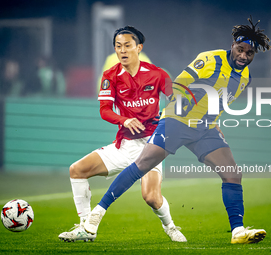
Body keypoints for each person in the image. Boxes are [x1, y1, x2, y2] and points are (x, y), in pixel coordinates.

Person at [85, 17, 271, 244]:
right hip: (178, 121)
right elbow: (180, 83)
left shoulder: (245, 77)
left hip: (205, 129)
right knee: (143, 165)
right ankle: (97, 213)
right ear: (232, 44)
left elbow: (219, 101)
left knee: (232, 174)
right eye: (240, 49)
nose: (243, 56)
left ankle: (238, 231)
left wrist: (214, 122)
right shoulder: (210, 59)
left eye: (249, 53)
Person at [58, 26, 187, 242]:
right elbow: (105, 110)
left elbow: (178, 100)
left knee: (151, 197)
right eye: (118, 47)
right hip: (125, 143)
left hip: (151, 145)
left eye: (127, 46)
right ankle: (84, 227)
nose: (123, 51)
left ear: (139, 47)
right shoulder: (110, 76)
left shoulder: (157, 74)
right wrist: (124, 119)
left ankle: (171, 227)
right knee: (77, 170)